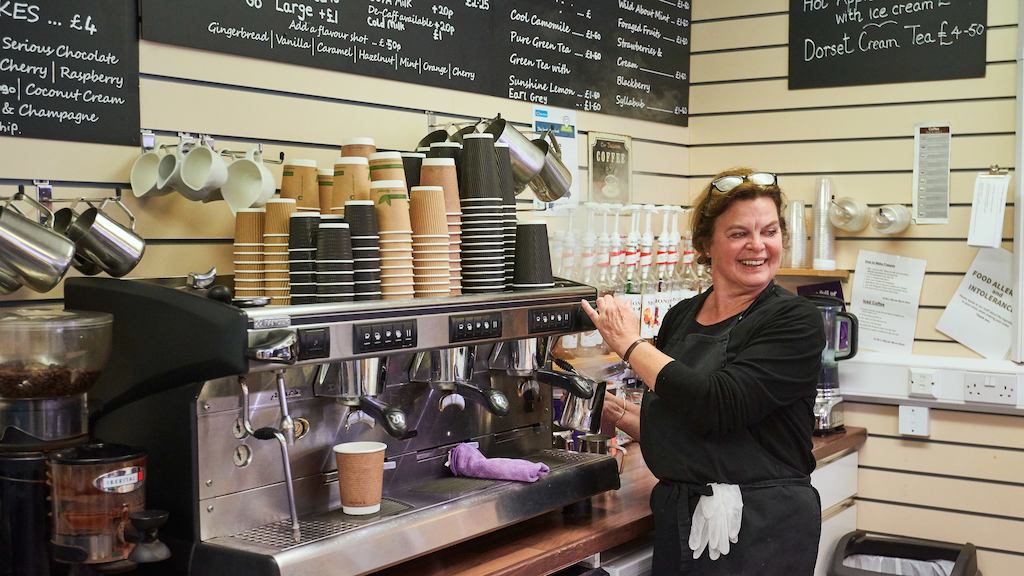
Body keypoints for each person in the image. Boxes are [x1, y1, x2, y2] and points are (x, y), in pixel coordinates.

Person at [582, 168, 825, 575]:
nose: (758, 245)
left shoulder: (794, 319)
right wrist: (618, 412)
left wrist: (630, 345)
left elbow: (718, 404)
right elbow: (684, 418)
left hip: (762, 528)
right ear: (705, 244)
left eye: (769, 231)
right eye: (739, 234)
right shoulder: (681, 316)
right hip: (682, 518)